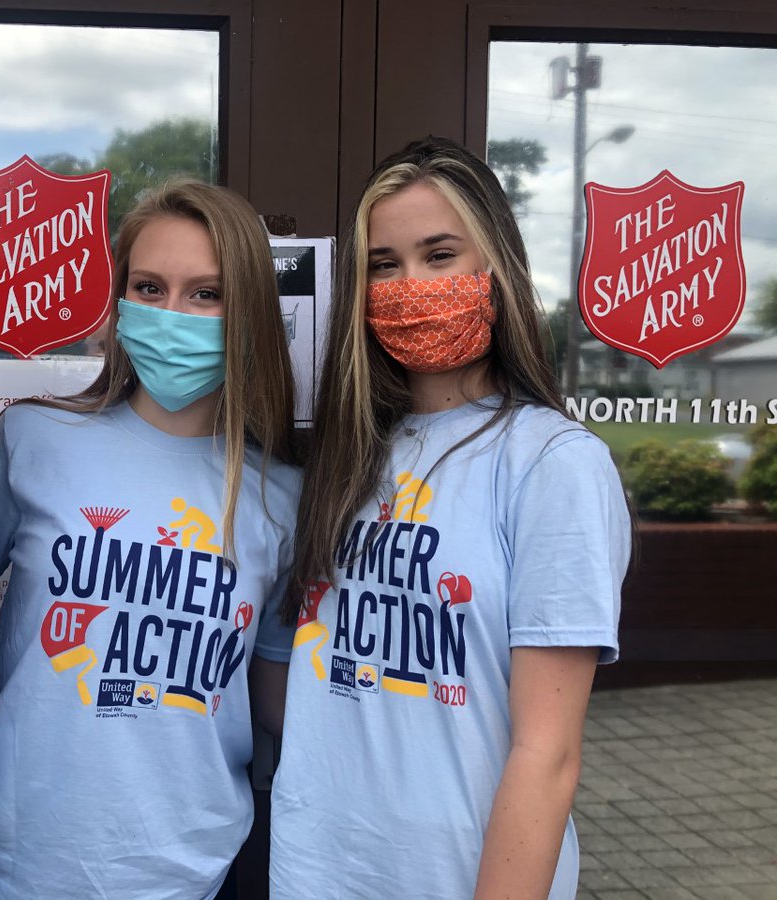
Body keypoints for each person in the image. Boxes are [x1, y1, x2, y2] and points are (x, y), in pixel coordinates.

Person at [269, 136, 630, 899]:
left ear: (495, 266)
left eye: (440, 254)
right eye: (384, 264)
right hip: (316, 869)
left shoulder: (552, 462)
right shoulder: (346, 460)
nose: (411, 285)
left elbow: (549, 753)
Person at [0, 179, 300, 899]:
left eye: (206, 294)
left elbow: (277, 691)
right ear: (119, 303)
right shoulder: (33, 438)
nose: (172, 315)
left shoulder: (281, 497)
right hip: (18, 862)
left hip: (189, 868)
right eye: (149, 288)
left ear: (248, 311)